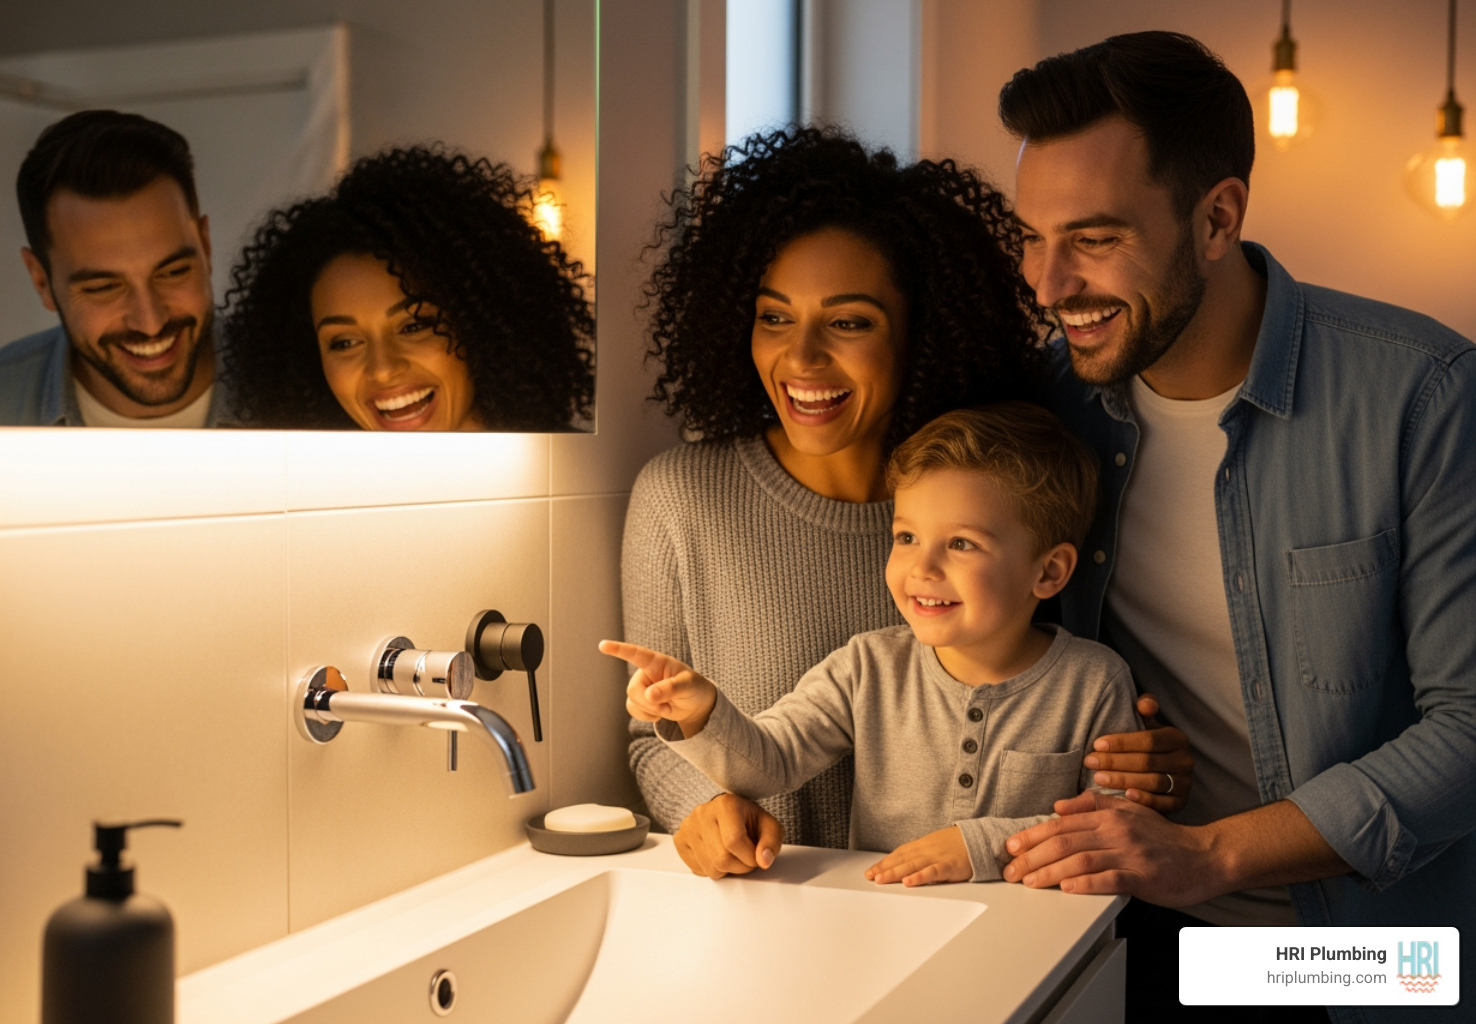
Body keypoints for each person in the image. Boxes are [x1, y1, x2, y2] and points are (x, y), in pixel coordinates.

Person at [996, 30, 1476, 1024]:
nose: (1048, 287)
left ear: (1217, 218)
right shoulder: (1046, 412)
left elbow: (1471, 723)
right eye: (1031, 238)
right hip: (1129, 930)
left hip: (1372, 956)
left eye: (1093, 239)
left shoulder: (1424, 393)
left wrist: (1209, 851)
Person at [625, 126, 1192, 878]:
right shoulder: (677, 498)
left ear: (918, 331)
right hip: (768, 904)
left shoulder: (999, 498)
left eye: (850, 322)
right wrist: (700, 809)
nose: (800, 358)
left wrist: (1154, 768)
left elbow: (1073, 730)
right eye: (773, 316)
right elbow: (652, 737)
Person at [607, 403, 1141, 885]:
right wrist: (702, 714)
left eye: (961, 544)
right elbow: (771, 760)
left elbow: (1113, 827)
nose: (921, 567)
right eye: (906, 537)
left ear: (1049, 572)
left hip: (1044, 948)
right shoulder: (867, 667)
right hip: (883, 927)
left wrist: (981, 847)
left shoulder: (1093, 682)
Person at [221, 145, 594, 431]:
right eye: (344, 342)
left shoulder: (577, 480)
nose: (382, 370)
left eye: (414, 325)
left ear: (486, 326)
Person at [0, 110, 230, 427]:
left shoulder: (305, 379)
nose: (151, 323)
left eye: (173, 273)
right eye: (103, 288)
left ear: (205, 247)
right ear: (41, 281)